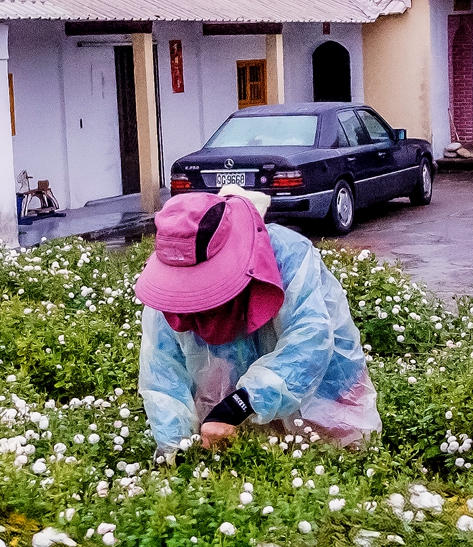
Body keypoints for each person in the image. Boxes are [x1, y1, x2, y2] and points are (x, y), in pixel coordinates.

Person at [135, 185, 378, 457]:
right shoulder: (168, 289)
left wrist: (238, 405)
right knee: (249, 458)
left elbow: (310, 340)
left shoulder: (287, 256)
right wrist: (175, 450)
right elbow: (163, 377)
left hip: (323, 392)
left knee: (336, 456)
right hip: (228, 395)